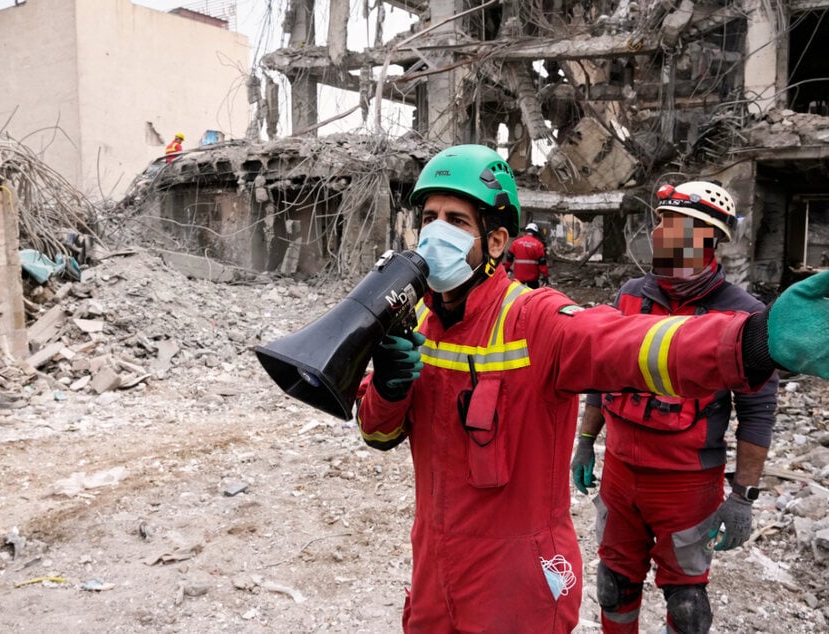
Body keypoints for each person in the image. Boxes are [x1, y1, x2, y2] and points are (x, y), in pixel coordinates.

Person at [355, 144, 829, 633]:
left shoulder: (535, 319)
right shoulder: (418, 320)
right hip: (435, 568)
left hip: (515, 581)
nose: (436, 231)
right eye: (429, 216)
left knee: (684, 600)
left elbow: (631, 344)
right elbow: (378, 434)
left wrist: (752, 339)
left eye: (455, 220)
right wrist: (389, 388)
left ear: (496, 241)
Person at [569, 180, 779, 634]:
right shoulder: (631, 296)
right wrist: (586, 442)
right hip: (622, 475)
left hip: (687, 485)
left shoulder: (744, 316)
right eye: (660, 221)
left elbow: (757, 412)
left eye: (674, 224)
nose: (660, 232)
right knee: (613, 584)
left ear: (707, 237)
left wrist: (742, 497)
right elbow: (600, 373)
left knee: (686, 602)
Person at [505, 221, 549, 288]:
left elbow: (509, 257)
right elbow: (542, 263)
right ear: (535, 232)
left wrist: (506, 268)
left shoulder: (516, 242)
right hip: (533, 278)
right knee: (532, 296)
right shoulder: (538, 245)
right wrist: (545, 275)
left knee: (518, 295)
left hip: (518, 277)